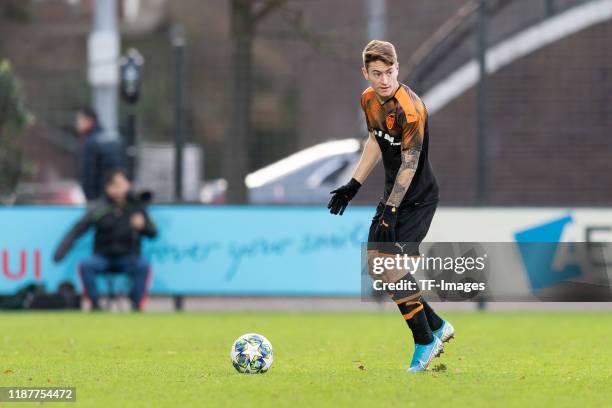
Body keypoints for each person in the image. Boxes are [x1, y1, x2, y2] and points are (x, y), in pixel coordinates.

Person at [327, 40, 454, 372]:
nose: (384, 80)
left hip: (418, 198)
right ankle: (438, 326)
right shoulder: (368, 100)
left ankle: (425, 341)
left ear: (398, 68)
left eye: (390, 72)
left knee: (391, 269)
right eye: (377, 73)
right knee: (378, 269)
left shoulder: (411, 109)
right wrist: (353, 185)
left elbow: (410, 164)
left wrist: (391, 210)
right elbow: (374, 140)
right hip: (393, 198)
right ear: (365, 73)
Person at [53, 169, 157, 311]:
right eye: (114, 184)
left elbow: (153, 233)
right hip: (103, 257)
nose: (118, 188)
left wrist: (143, 226)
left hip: (129, 257)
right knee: (86, 265)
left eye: (121, 184)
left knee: (143, 266)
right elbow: (77, 231)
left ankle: (136, 305)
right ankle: (95, 305)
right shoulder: (99, 209)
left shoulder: (137, 207)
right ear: (108, 187)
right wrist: (61, 252)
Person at [75, 107, 123, 201]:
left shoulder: (91, 143)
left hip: (98, 200)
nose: (77, 124)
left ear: (88, 120)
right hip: (114, 197)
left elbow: (89, 176)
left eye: (79, 120)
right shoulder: (111, 139)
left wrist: (90, 198)